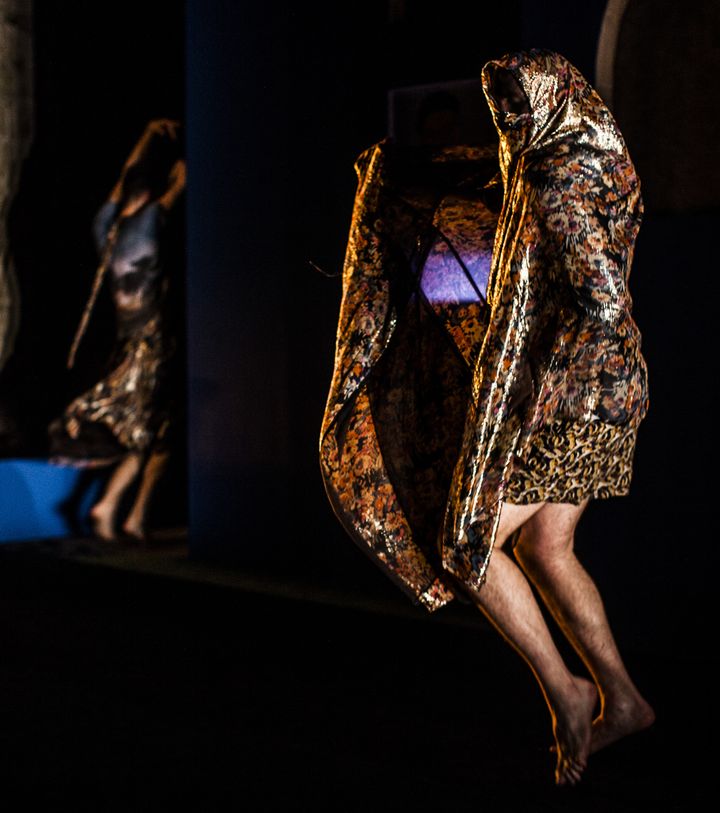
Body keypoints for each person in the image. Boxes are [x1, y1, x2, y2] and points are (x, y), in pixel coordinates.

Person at [322, 50, 653, 787]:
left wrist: (531, 379)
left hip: (573, 400)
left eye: (515, 106)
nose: (508, 121)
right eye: (500, 106)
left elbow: (599, 300)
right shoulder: (587, 151)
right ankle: (622, 699)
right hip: (606, 393)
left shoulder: (551, 177)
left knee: (468, 545)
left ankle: (567, 693)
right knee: (545, 547)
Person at [50, 119, 185, 541]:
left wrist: (147, 134)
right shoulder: (150, 221)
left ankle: (131, 516)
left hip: (126, 340)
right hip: (151, 343)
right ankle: (112, 508)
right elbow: (182, 180)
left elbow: (124, 179)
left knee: (158, 432)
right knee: (152, 435)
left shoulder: (106, 225)